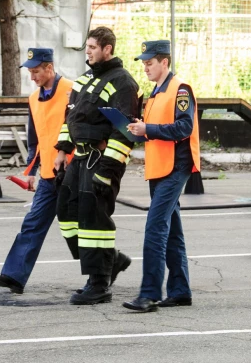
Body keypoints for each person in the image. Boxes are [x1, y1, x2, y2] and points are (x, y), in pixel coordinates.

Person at [54, 26, 143, 305]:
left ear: (108, 49)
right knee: (67, 214)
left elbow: (125, 132)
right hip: (79, 158)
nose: (88, 52)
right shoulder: (85, 80)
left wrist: (106, 171)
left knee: (94, 220)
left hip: (101, 161)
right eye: (87, 47)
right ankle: (110, 260)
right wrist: (61, 151)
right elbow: (71, 118)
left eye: (93, 47)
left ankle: (99, 284)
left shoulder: (123, 82)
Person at [0, 48, 73, 294]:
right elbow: (35, 137)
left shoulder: (71, 90)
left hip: (71, 172)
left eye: (36, 71)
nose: (32, 76)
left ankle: (110, 263)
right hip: (48, 174)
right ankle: (14, 276)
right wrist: (32, 170)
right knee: (33, 223)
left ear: (49, 67)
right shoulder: (34, 98)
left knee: (79, 227)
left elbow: (79, 129)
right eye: (30, 72)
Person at [123, 40, 200, 312]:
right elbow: (152, 129)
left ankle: (150, 294)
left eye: (150, 63)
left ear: (164, 62)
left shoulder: (180, 90)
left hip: (174, 167)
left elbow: (184, 127)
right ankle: (180, 291)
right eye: (143, 63)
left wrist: (148, 129)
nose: (145, 67)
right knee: (172, 232)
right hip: (159, 168)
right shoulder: (155, 93)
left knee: (155, 228)